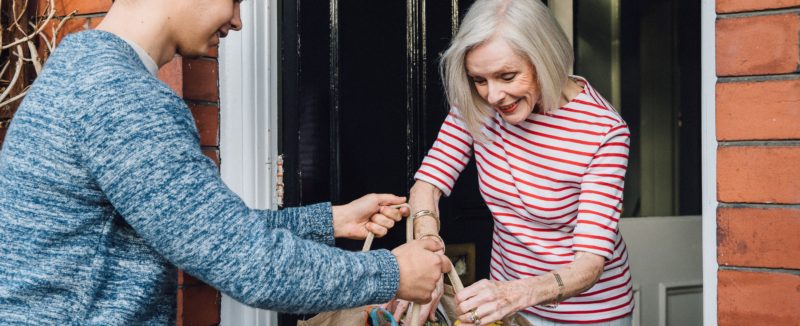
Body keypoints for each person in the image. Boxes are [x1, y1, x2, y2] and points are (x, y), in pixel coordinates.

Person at [0, 0, 451, 324]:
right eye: (234, 1)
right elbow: (247, 264)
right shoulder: (123, 97)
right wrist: (392, 273)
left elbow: (203, 228)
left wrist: (328, 221)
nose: (237, 21)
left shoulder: (85, 70)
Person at [393, 0, 634, 325]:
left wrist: (514, 294)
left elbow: (589, 263)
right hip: (507, 306)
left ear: (544, 57)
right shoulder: (476, 104)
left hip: (590, 315)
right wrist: (427, 253)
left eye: (507, 76)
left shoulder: (603, 131)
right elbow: (428, 185)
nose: (493, 96)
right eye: (479, 79)